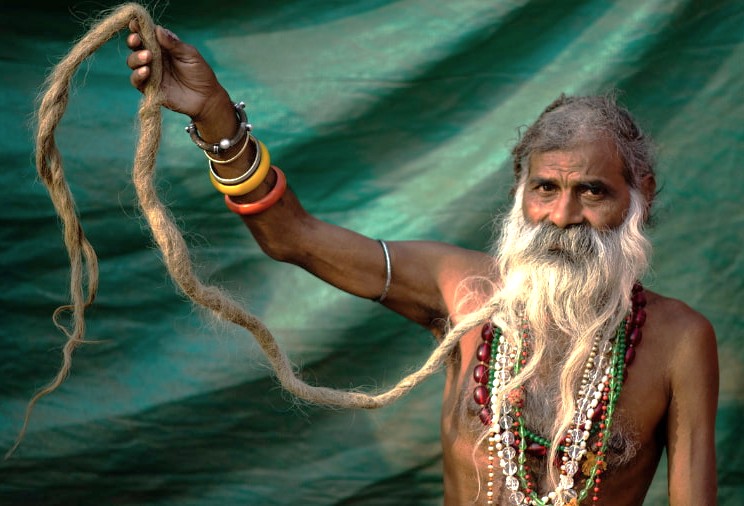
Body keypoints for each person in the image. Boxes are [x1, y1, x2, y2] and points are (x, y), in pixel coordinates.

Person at [125, 22, 719, 506]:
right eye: (545, 189)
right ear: (520, 190)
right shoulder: (460, 290)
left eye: (592, 192)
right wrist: (216, 119)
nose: (561, 216)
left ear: (640, 194)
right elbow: (293, 237)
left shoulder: (679, 341)